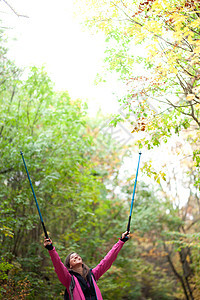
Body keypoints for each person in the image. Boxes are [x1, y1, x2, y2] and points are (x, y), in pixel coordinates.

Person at [44, 231, 130, 300]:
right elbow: (58, 264)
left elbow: (108, 260)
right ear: (70, 266)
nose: (76, 257)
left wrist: (121, 241)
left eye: (77, 255)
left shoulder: (93, 274)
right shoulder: (69, 280)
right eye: (72, 257)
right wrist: (51, 249)